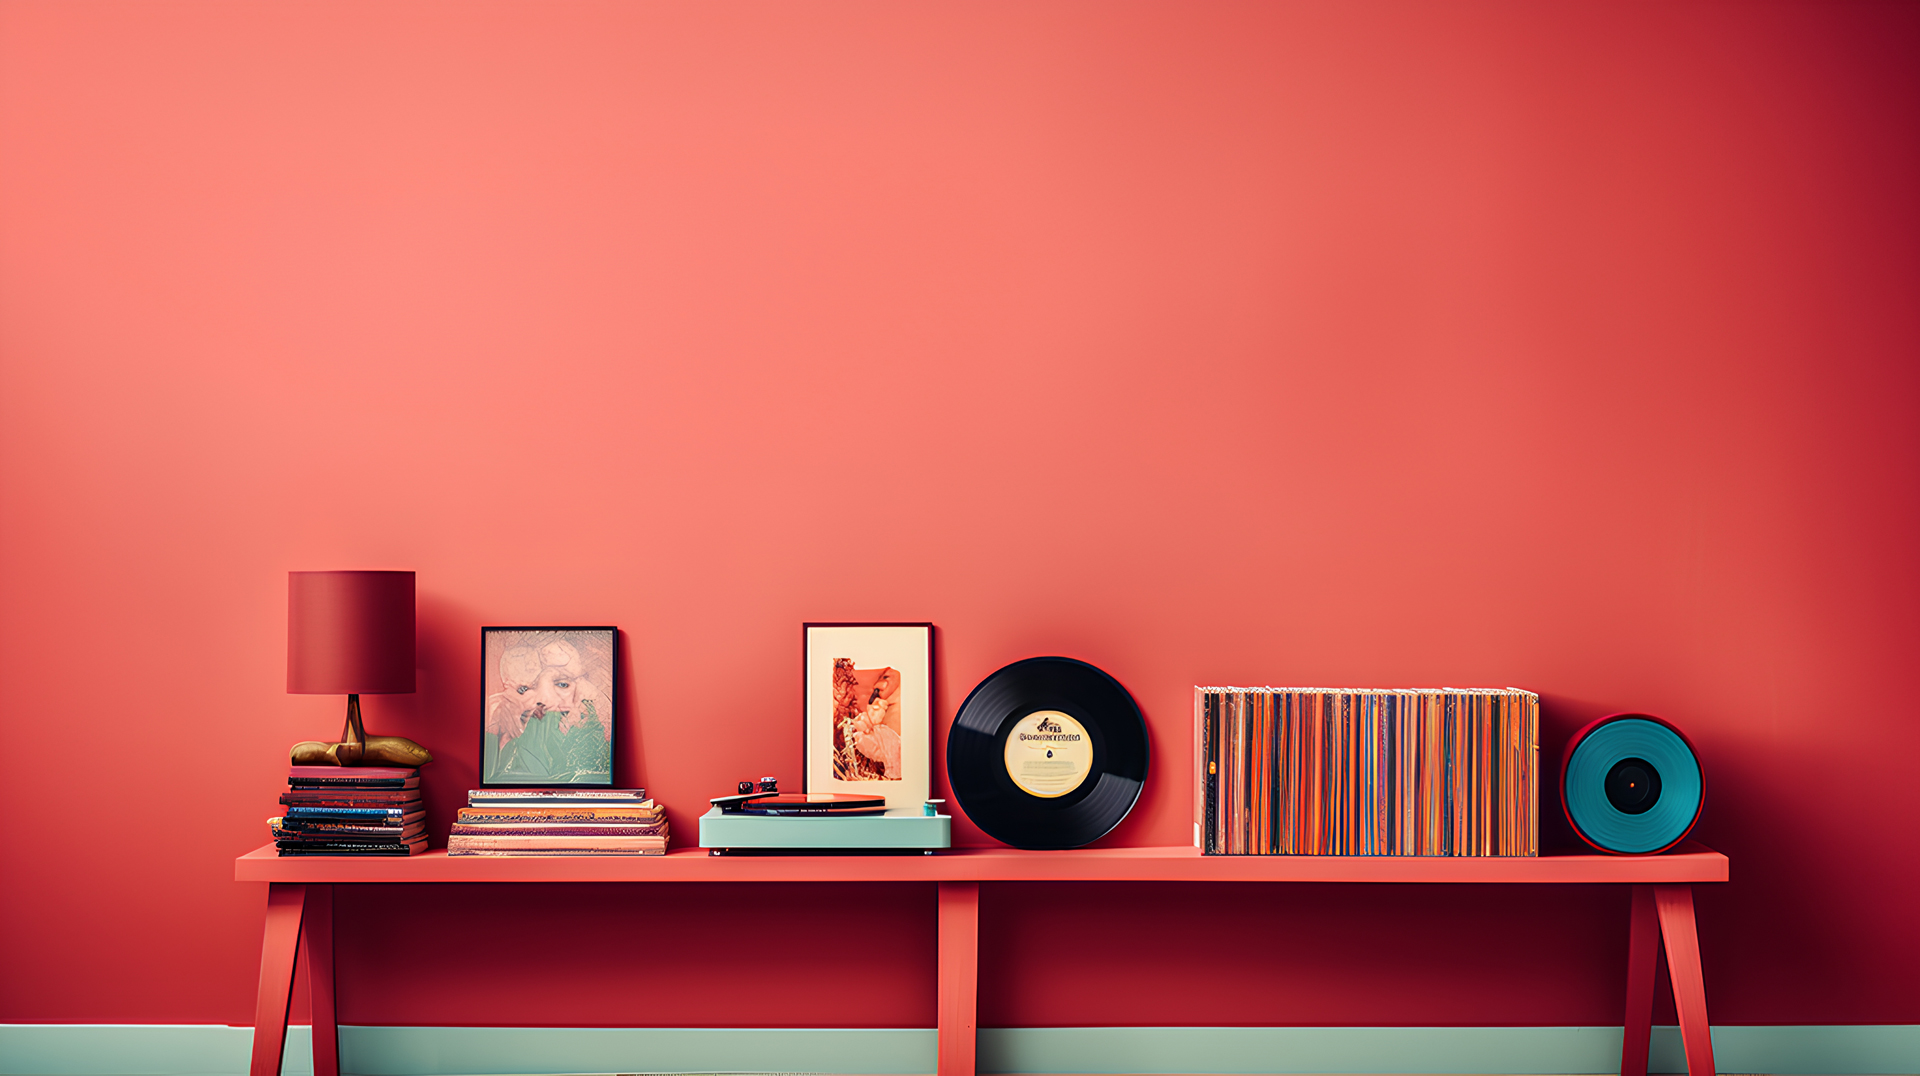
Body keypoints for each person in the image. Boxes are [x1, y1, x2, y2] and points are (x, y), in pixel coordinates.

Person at [484, 638, 612, 783]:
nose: (578, 698)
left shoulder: (583, 725)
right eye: (563, 684)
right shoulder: (499, 735)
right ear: (524, 689)